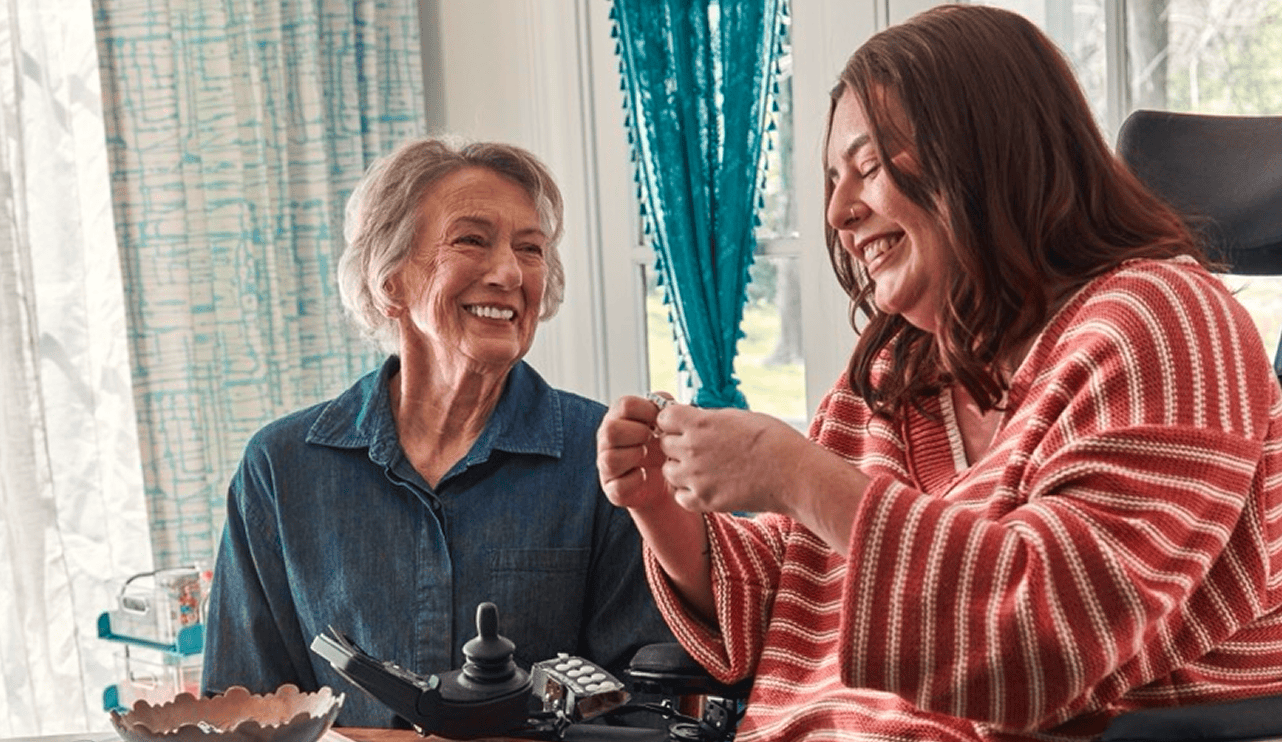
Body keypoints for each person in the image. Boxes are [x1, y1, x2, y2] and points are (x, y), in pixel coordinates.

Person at [596, 5, 1282, 740]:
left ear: (986, 153)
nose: (837, 211)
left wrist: (791, 471)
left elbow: (1052, 641)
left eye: (866, 167)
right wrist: (664, 509)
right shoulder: (892, 374)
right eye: (832, 180)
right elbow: (805, 596)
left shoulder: (1165, 321)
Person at [203, 137, 672, 727]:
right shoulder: (279, 469)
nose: (509, 273)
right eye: (472, 240)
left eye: (530, 249)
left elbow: (645, 706)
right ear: (390, 279)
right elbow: (244, 711)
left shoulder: (604, 458)